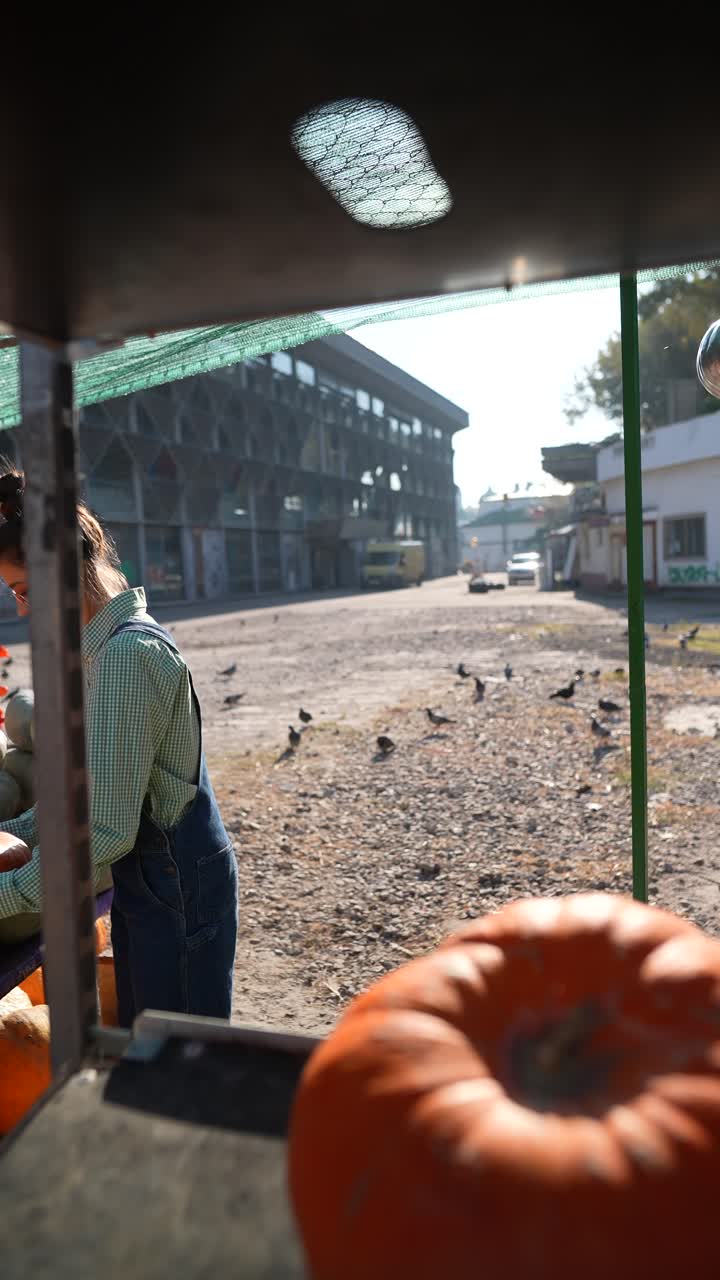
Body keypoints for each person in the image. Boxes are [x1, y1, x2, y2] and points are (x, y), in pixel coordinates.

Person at [0, 470, 237, 1026]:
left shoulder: (127, 659)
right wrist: (21, 834)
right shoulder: (103, 652)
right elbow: (87, 800)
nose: (24, 611)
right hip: (153, 882)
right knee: (149, 1038)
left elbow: (102, 831)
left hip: (179, 890)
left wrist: (7, 893)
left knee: (174, 1062)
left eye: (25, 590)